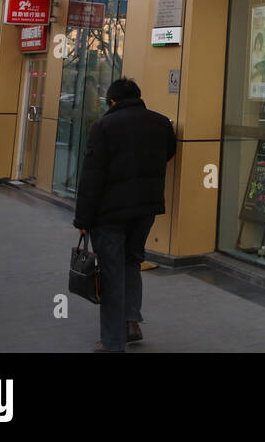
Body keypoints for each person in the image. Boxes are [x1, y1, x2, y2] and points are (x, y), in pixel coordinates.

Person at [73, 78, 176, 352]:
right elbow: (168, 153)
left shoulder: (104, 126)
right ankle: (131, 322)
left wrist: (82, 220)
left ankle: (112, 341)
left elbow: (91, 177)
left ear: (112, 101)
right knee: (132, 262)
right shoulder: (161, 122)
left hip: (109, 213)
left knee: (111, 273)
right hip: (145, 209)